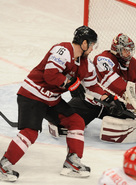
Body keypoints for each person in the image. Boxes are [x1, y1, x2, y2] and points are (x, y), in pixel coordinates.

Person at [0, 26, 121, 182]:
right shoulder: (63, 50)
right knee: (30, 132)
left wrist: (108, 98)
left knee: (76, 121)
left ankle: (72, 162)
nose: (92, 48)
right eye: (91, 44)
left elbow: (92, 86)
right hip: (32, 95)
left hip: (51, 100)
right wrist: (70, 83)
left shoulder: (86, 64)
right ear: (83, 43)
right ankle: (4, 165)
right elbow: (50, 75)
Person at [47, 33, 136, 143]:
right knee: (61, 122)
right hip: (93, 102)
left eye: (130, 50)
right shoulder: (104, 60)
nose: (129, 53)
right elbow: (116, 86)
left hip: (117, 107)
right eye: (125, 50)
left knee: (129, 122)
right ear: (117, 49)